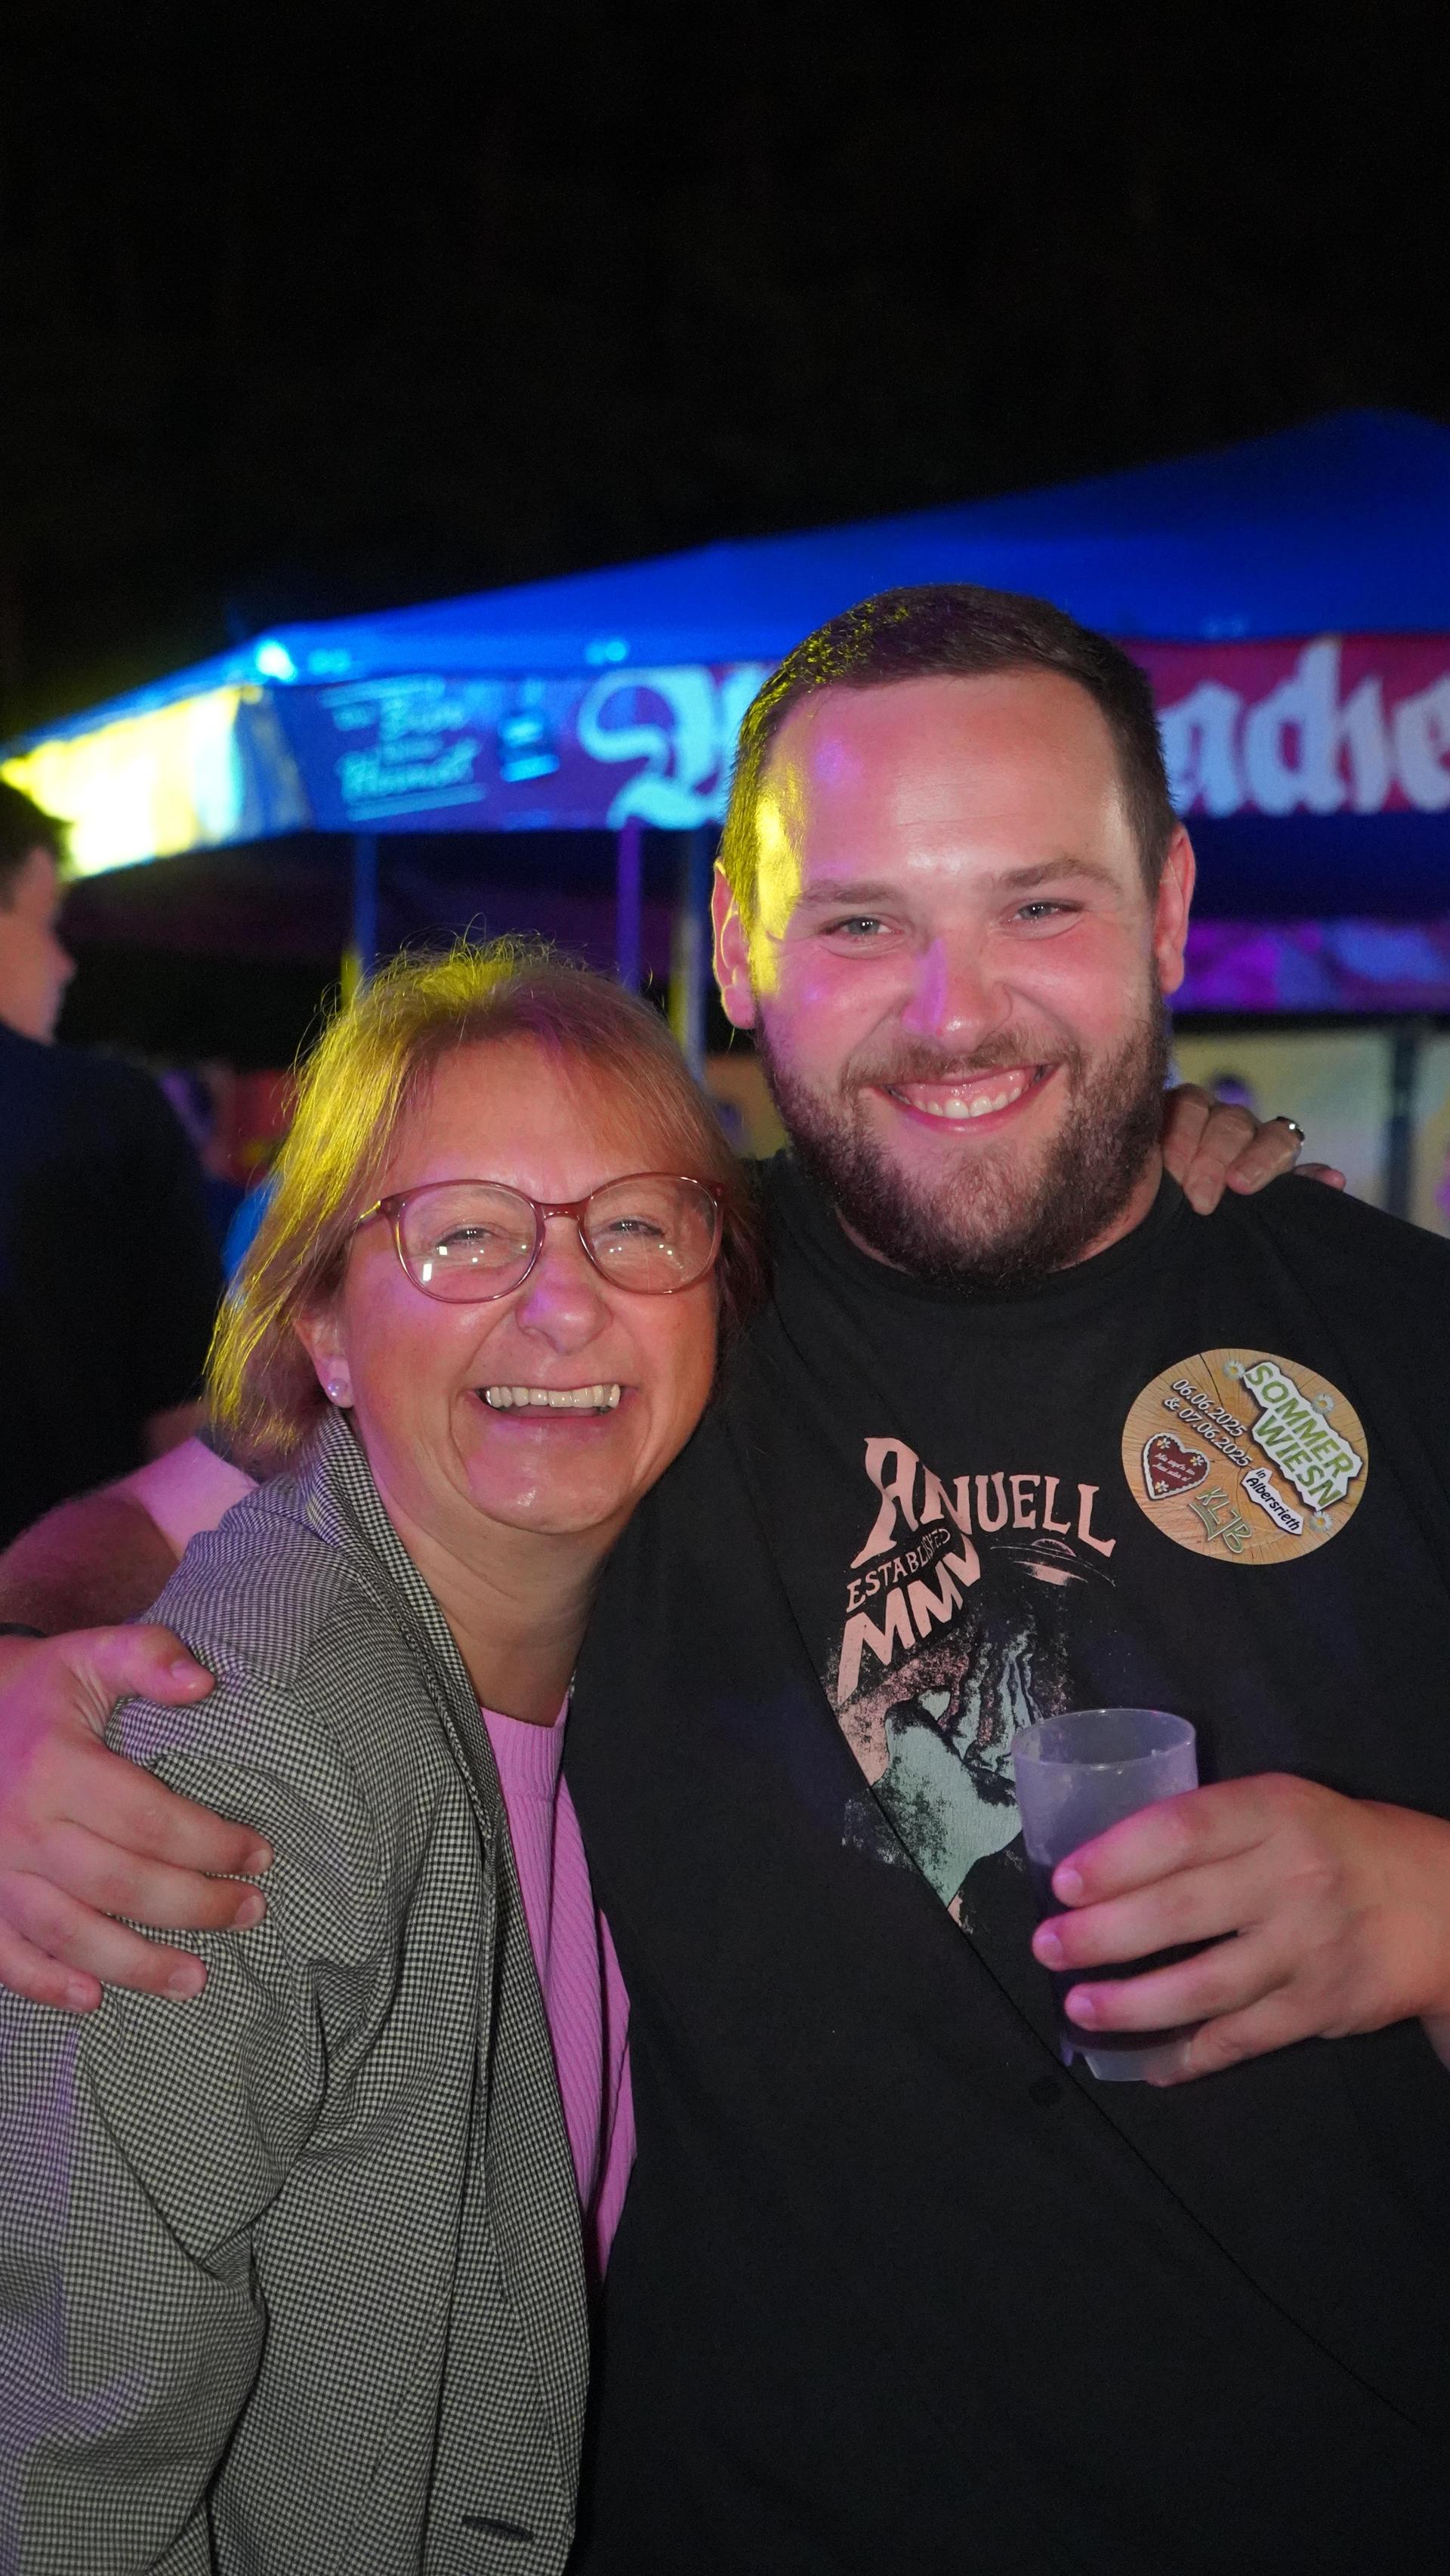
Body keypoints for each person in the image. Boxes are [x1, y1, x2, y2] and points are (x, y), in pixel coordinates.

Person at [1, 584, 1440, 2574]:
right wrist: (18, 1687)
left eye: (1043, 904)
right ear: (744, 948)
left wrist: (1434, 1905)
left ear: (1170, 908)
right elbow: (144, 1526)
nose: (959, 1010)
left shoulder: (1404, 1335)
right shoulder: (647, 1304)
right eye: (862, 921)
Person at [0, 938, 759, 2571]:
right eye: (466, 1234)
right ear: (327, 1332)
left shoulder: (655, 1628)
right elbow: (61, 2454)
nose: (565, 1302)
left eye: (634, 1223)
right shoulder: (247, 1768)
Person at [0, 782, 221, 1555]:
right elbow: (183, 1428)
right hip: (56, 1629)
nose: (64, 963)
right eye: (47, 920)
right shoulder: (104, 1117)